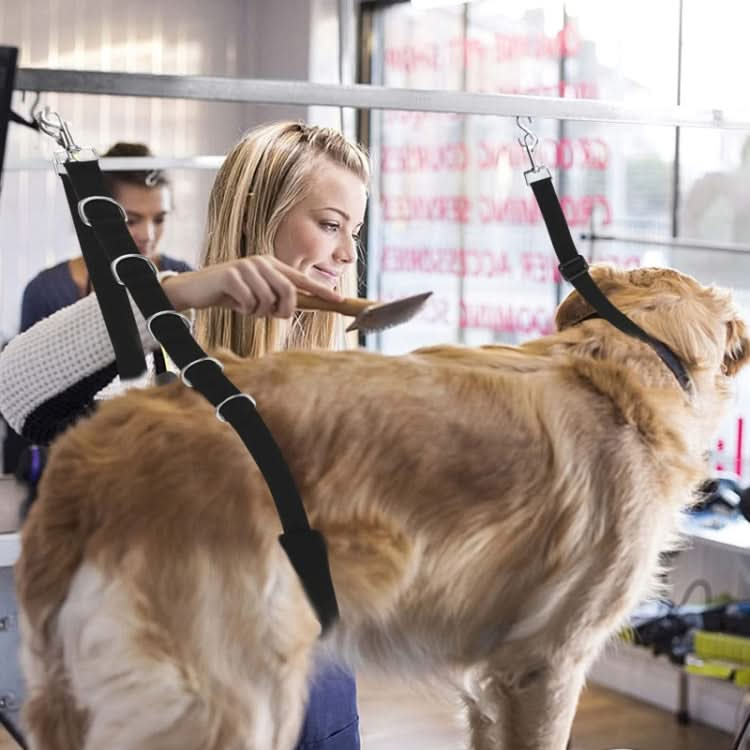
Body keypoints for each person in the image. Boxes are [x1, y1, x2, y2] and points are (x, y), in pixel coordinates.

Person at [0, 120, 369, 749]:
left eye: (354, 233)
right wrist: (179, 293)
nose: (347, 254)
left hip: (320, 690)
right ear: (261, 212)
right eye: (331, 225)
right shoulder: (163, 366)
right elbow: (17, 388)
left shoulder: (342, 378)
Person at [19, 141, 192, 333]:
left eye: (159, 219)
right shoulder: (45, 292)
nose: (148, 235)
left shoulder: (184, 277)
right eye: (131, 221)